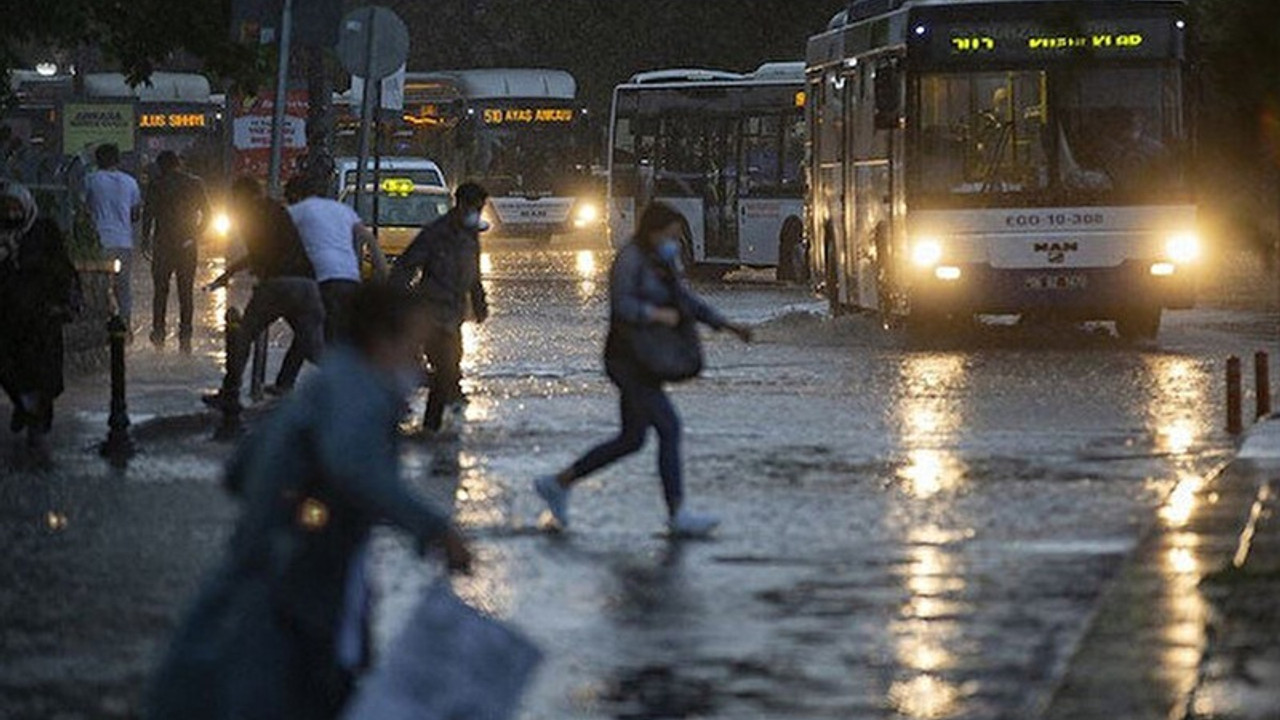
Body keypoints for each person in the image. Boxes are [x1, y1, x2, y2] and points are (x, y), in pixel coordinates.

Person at [146, 282, 473, 720]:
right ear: (382, 340)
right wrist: (435, 529)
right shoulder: (362, 392)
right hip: (303, 587)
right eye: (413, 347)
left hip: (266, 576)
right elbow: (353, 466)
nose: (418, 365)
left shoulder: (327, 383)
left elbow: (239, 470)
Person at [533, 202, 752, 538]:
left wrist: (726, 325)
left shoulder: (663, 261)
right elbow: (622, 305)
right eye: (671, 235)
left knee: (632, 439)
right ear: (654, 230)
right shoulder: (629, 260)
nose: (676, 242)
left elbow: (686, 301)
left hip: (647, 360)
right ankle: (677, 512)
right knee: (669, 427)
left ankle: (558, 483)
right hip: (627, 359)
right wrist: (655, 314)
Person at [203, 177, 325, 414]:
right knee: (315, 347)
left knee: (243, 335)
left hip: (278, 283)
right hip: (308, 284)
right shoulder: (278, 209)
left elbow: (260, 253)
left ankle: (230, 392)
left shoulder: (251, 215)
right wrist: (229, 273)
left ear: (241, 197)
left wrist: (251, 277)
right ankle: (363, 389)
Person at [389, 182, 490, 434]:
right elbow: (406, 265)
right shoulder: (436, 233)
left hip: (454, 316)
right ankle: (426, 425)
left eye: (481, 208)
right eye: (474, 207)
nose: (477, 212)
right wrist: (396, 302)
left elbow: (474, 274)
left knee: (450, 368)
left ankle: (437, 423)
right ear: (461, 204)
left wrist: (479, 303)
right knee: (445, 368)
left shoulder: (471, 235)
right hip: (430, 313)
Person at [273, 176, 388, 392]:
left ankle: (350, 386)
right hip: (350, 279)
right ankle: (285, 383)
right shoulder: (341, 209)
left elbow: (271, 244)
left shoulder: (296, 211)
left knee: (322, 334)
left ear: (295, 196)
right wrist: (383, 273)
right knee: (313, 330)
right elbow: (369, 240)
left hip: (323, 280)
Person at [0, 180, 81, 460]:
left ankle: (37, 425)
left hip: (43, 317)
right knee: (10, 370)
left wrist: (64, 303)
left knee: (43, 376)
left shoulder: (44, 232)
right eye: (7, 208)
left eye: (16, 207)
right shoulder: (4, 236)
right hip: (10, 318)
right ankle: (24, 408)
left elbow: (62, 268)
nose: (12, 213)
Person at [142, 151, 210, 352]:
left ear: (161, 166)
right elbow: (208, 214)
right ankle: (185, 334)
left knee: (160, 291)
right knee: (185, 290)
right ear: (178, 163)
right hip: (187, 245)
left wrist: (144, 240)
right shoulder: (195, 183)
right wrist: (194, 235)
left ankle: (158, 332)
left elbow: (148, 214)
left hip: (163, 244)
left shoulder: (156, 184)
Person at [84, 143, 141, 336]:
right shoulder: (130, 182)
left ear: (97, 160)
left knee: (99, 287)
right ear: (118, 160)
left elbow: (82, 207)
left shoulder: (91, 180)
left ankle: (101, 328)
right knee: (123, 287)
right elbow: (135, 214)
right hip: (124, 242)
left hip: (100, 242)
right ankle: (125, 329)